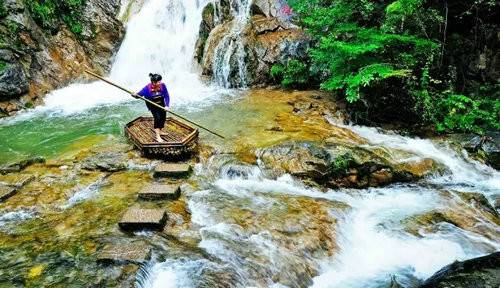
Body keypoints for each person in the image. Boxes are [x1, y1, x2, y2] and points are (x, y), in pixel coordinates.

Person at [133, 73, 170, 143]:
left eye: (160, 81)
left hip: (161, 104)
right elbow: (139, 95)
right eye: (158, 82)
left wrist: (167, 105)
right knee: (157, 119)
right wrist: (134, 95)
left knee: (163, 118)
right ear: (153, 82)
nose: (160, 83)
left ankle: (160, 131)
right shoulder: (147, 88)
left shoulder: (163, 86)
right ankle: (157, 136)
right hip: (153, 106)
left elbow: (167, 96)